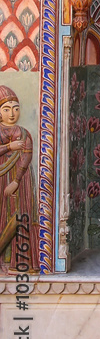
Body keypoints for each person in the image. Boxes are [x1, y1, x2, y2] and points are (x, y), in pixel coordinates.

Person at [0, 86, 38, 273]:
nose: (12, 113)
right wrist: (9, 146)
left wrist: (16, 181)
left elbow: (27, 155)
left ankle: (20, 261)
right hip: (1, 179)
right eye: (7, 109)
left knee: (20, 215)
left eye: (16, 108)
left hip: (20, 180)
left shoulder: (23, 132)